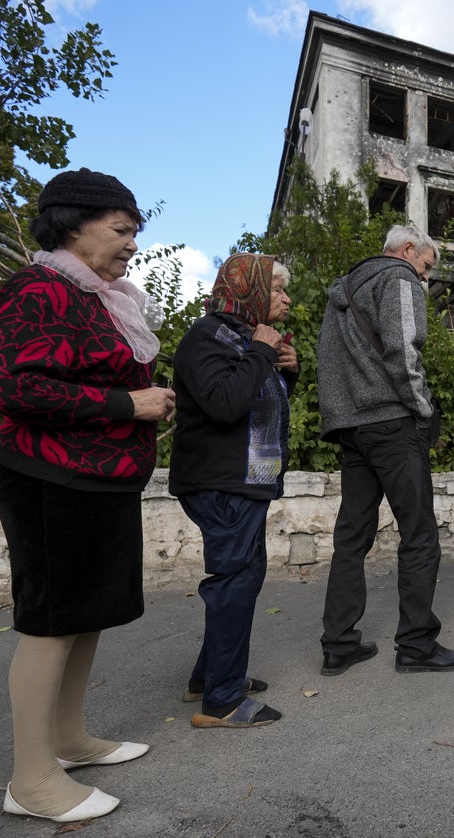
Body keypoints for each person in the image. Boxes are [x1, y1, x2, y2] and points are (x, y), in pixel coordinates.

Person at [0, 168, 176, 822]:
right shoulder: (39, 288)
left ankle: (66, 740)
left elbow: (91, 383)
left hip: (97, 478)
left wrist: (145, 406)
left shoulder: (101, 296)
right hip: (48, 479)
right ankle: (31, 780)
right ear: (75, 223)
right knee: (52, 619)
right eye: (123, 230)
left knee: (85, 611)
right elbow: (14, 388)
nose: (131, 245)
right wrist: (129, 400)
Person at [316, 225, 454, 675]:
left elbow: (329, 361)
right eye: (426, 266)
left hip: (351, 428)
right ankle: (416, 645)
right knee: (420, 534)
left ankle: (339, 643)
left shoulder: (342, 290)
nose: (425, 277)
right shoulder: (398, 278)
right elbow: (404, 351)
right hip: (391, 423)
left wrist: (340, 416)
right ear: (407, 251)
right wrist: (422, 409)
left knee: (351, 538)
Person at [169, 253, 298, 729]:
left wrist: (285, 370)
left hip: (242, 482)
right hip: (220, 482)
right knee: (234, 582)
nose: (287, 299)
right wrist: (264, 352)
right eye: (279, 290)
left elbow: (256, 404)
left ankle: (209, 678)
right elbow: (224, 405)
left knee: (241, 578)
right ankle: (222, 700)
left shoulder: (241, 337)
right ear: (255, 293)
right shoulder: (207, 336)